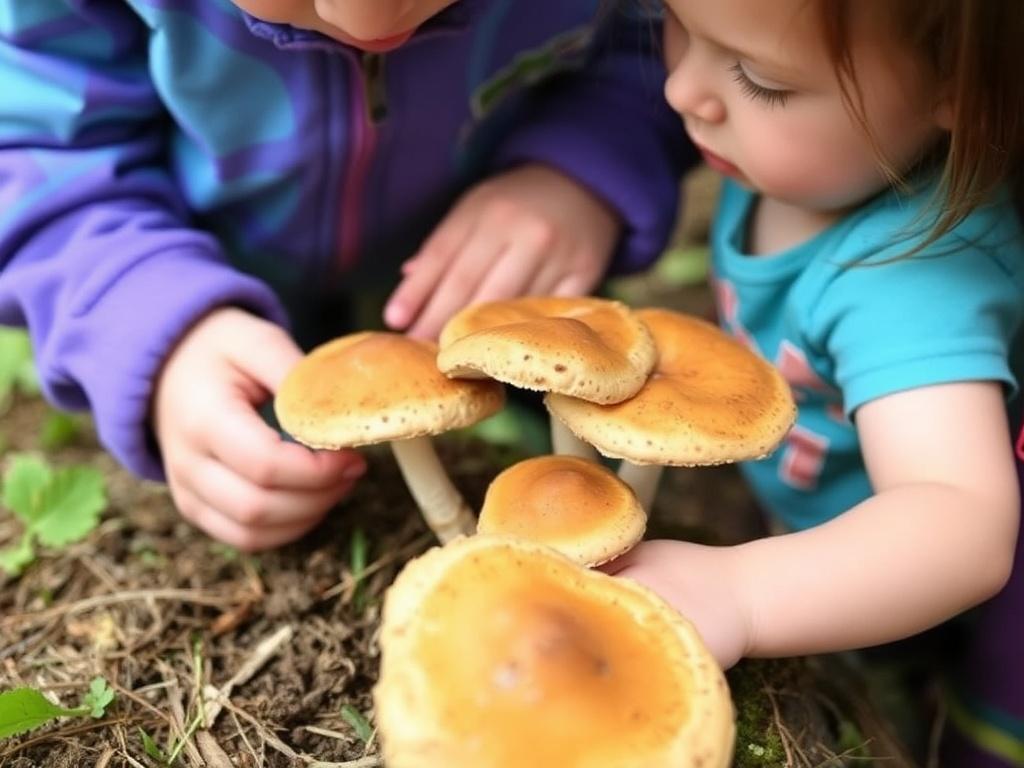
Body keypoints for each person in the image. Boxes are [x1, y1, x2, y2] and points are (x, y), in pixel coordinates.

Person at [0, 1, 690, 551]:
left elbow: (669, 37)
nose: (371, 20)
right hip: (230, 294)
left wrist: (583, 167)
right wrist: (151, 314)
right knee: (283, 460)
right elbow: (33, 149)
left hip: (511, 277)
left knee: (575, 464)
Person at [600, 0, 1024, 764]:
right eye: (676, 23)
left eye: (761, 79)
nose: (683, 89)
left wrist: (742, 594)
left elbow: (961, 524)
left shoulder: (908, 284)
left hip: (920, 607)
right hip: (813, 533)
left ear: (965, 89)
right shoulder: (806, 155)